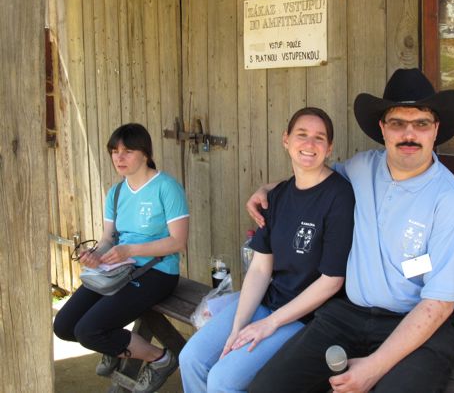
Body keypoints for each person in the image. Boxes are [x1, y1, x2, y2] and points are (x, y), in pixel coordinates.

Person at [246, 69, 454, 393]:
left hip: (417, 325)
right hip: (347, 315)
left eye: (421, 123)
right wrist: (266, 189)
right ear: (382, 129)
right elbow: (313, 178)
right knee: (267, 389)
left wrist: (373, 367)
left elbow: (439, 304)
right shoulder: (361, 167)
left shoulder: (449, 200)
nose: (409, 134)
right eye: (398, 123)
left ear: (435, 130)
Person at [179, 107, 355, 392]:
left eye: (319, 138)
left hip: (306, 318)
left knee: (223, 380)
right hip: (268, 302)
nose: (309, 144)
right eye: (302, 135)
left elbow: (332, 281)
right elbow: (261, 269)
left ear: (329, 147)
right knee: (191, 359)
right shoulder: (277, 196)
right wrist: (238, 325)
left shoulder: (339, 197)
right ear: (286, 139)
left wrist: (268, 324)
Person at [53, 123, 189, 393]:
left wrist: (130, 251)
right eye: (114, 152)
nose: (119, 158)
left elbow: (178, 242)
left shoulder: (166, 187)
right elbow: (107, 240)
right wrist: (94, 255)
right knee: (65, 326)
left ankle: (160, 358)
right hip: (117, 269)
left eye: (127, 151)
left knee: (89, 330)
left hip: (158, 271)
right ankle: (119, 349)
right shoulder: (116, 193)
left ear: (145, 154)